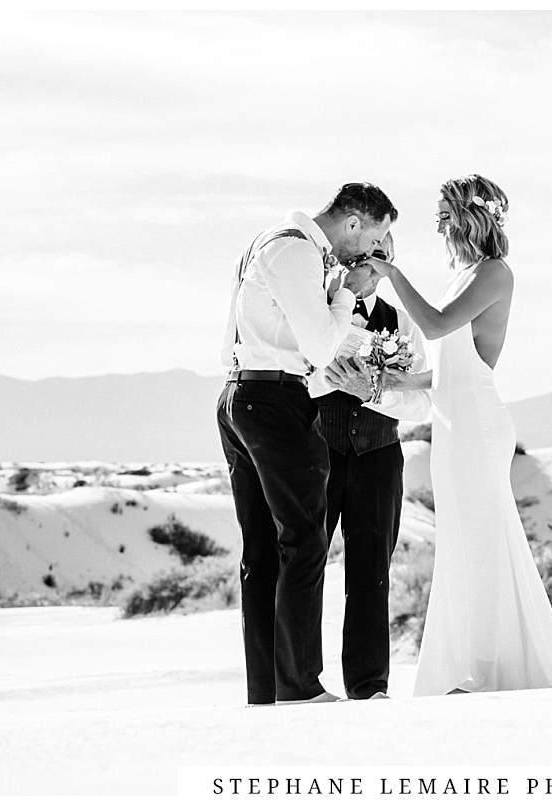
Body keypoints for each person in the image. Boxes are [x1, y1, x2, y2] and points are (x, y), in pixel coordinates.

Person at [365, 174, 552, 696]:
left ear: (469, 215)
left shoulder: (494, 274)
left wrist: (392, 274)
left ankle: (490, 668)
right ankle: (471, 666)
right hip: (450, 421)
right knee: (465, 542)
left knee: (484, 541)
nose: (438, 222)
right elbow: (447, 368)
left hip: (478, 426)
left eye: (444, 212)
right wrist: (390, 380)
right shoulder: (462, 275)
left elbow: (438, 328)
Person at [216, 182, 396, 706]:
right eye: (374, 239)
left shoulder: (267, 243)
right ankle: (298, 686)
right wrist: (347, 294)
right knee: (304, 540)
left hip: (241, 394)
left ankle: (267, 688)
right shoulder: (295, 249)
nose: (370, 254)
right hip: (273, 402)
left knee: (264, 550)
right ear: (355, 223)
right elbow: (322, 344)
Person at [307, 232, 432, 700]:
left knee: (371, 573)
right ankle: (300, 681)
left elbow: (422, 403)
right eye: (351, 258)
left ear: (387, 262)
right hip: (318, 454)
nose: (358, 267)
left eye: (371, 259)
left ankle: (368, 686)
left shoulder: (401, 323)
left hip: (379, 457)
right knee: (304, 565)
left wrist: (375, 393)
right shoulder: (315, 314)